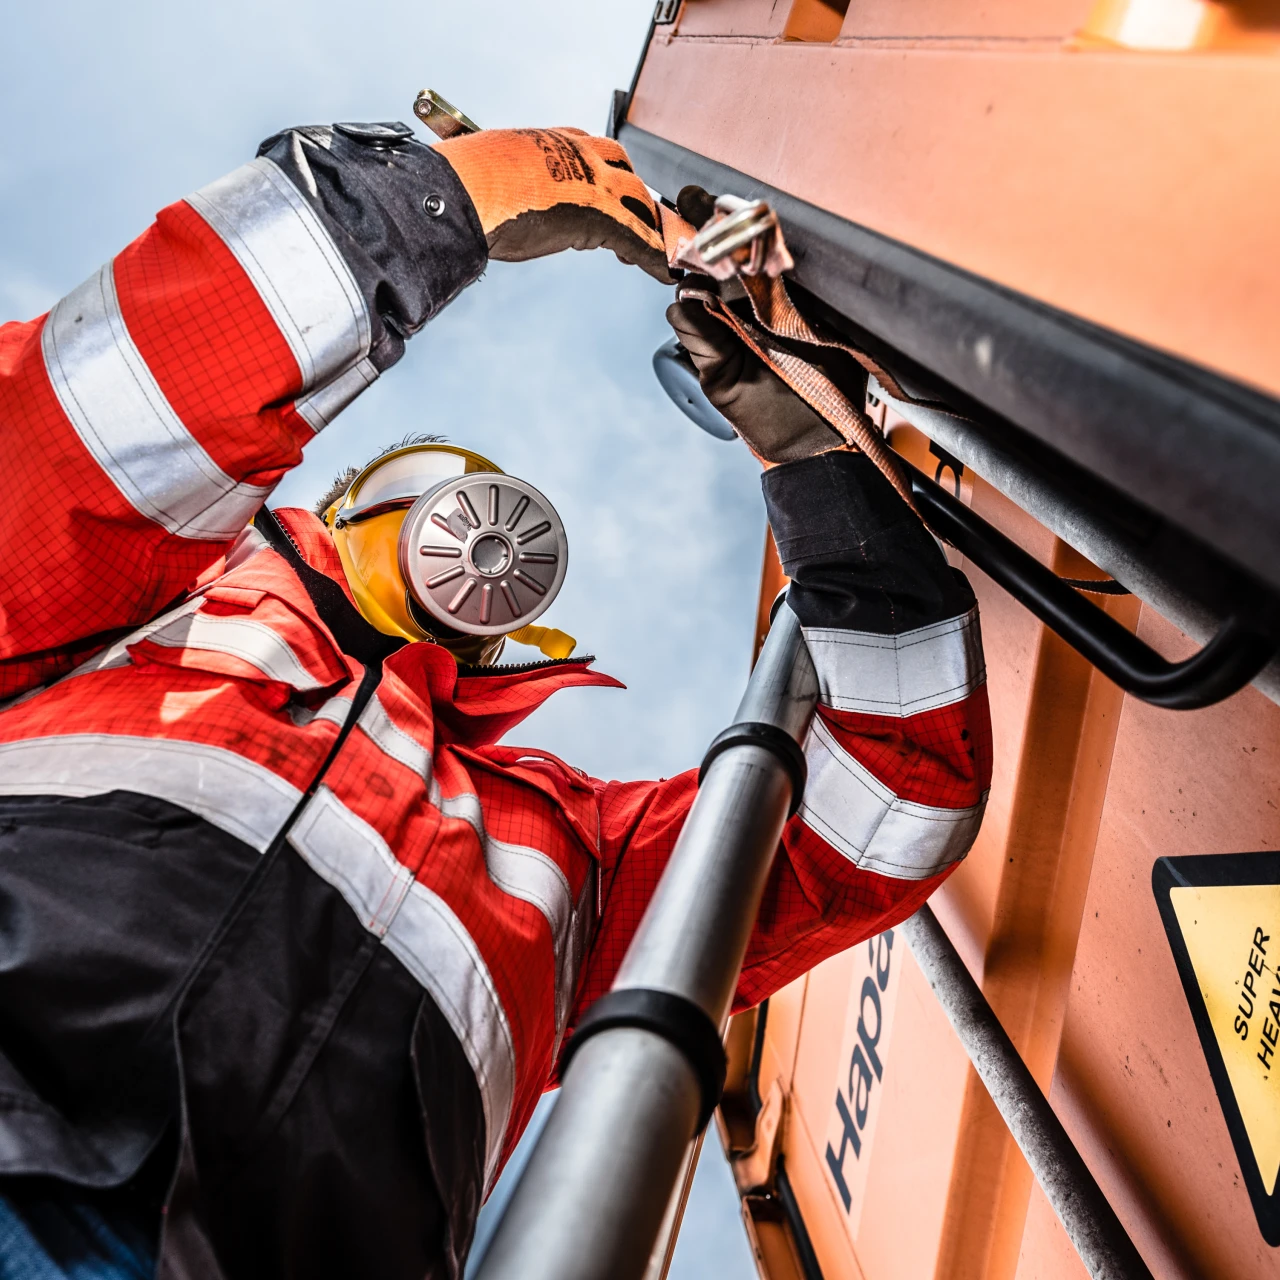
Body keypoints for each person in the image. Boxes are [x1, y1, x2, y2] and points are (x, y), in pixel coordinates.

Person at [0, 120, 991, 1279]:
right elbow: (77, 432)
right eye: (430, 487)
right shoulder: (135, 613)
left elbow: (887, 802)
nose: (474, 532)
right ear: (343, 500)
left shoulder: (570, 846)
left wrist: (824, 485)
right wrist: (426, 205)